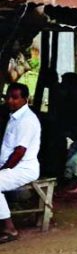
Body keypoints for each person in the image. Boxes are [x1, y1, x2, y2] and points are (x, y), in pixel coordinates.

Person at [0, 83, 41, 244]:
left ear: (25, 99)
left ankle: (9, 228)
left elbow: (19, 152)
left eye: (15, 98)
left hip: (23, 168)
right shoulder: (15, 116)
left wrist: (3, 169)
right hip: (12, 166)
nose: (10, 101)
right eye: (8, 97)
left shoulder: (27, 120)